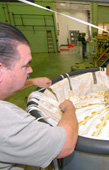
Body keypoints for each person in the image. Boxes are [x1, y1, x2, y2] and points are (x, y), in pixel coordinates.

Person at [0, 22, 78, 169]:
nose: (30, 69)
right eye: (25, 65)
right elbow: (66, 145)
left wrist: (31, 81)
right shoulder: (5, 120)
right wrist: (70, 109)